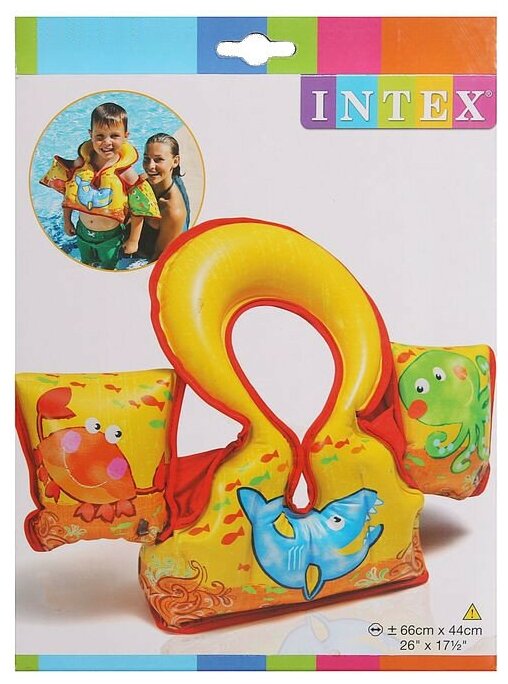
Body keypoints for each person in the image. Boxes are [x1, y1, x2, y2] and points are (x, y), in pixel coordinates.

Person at [40, 103, 160, 270]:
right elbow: (69, 193)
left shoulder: (126, 173)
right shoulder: (82, 164)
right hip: (82, 232)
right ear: (91, 135)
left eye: (114, 136)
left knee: (108, 268)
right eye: (100, 136)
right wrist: (67, 221)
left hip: (110, 238)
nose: (107, 142)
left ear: (126, 136)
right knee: (85, 265)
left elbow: (138, 209)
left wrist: (133, 240)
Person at [136, 133, 190, 261]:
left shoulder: (172, 210)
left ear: (175, 161)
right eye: (146, 159)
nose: (150, 166)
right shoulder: (144, 182)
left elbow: (159, 259)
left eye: (158, 159)